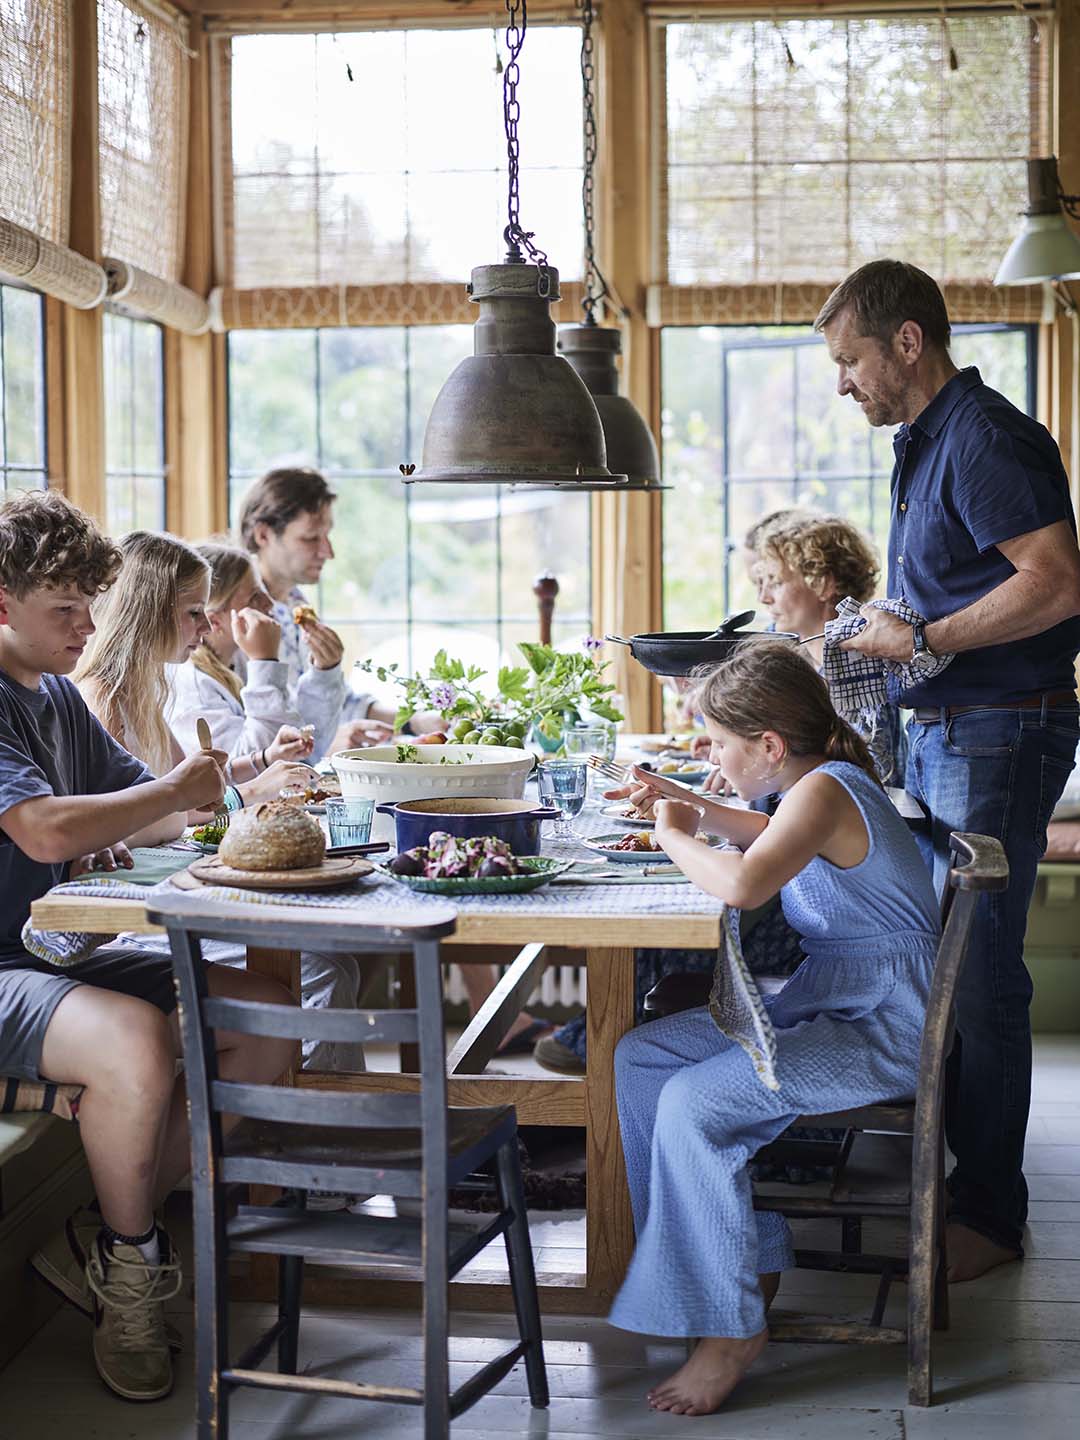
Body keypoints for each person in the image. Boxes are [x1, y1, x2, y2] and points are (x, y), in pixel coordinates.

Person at [816, 258, 1080, 1281]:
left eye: (851, 361)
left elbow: (1056, 586)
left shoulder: (983, 436)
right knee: (956, 967)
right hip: (956, 728)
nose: (845, 383)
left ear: (908, 343)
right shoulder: (927, 443)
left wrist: (920, 634)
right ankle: (960, 1183)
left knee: (982, 974)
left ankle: (989, 1216)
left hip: (995, 730)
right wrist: (895, 632)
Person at [0, 489, 296, 1403]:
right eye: (65, 610)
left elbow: (166, 804)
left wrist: (219, 794)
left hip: (55, 953)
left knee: (270, 1020)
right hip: (8, 966)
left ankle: (94, 1230)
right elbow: (44, 831)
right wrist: (162, 795)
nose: (88, 626)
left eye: (92, 604)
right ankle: (132, 1269)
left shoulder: (52, 696)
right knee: (136, 1039)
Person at [609, 640, 940, 1415]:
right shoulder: (814, 785)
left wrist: (669, 834)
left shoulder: (826, 790)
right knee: (643, 1057)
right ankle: (726, 1267)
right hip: (838, 999)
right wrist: (682, 801)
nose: (713, 759)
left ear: (769, 745)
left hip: (886, 1025)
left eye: (721, 745)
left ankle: (732, 1330)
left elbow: (744, 878)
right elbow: (760, 833)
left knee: (695, 1102)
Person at [73, 530, 368, 1071]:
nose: (207, 627)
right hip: (134, 925)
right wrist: (246, 791)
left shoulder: (146, 691)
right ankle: (303, 1119)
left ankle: (308, 1111)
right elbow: (145, 816)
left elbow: (182, 784)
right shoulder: (103, 701)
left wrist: (251, 766)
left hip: (174, 894)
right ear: (148, 612)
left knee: (335, 960)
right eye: (193, 613)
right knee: (323, 964)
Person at [236, 467, 440, 760]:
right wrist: (326, 745)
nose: (328, 552)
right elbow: (246, 739)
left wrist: (413, 720)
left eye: (326, 536)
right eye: (310, 538)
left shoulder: (294, 604)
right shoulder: (238, 618)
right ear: (264, 534)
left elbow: (331, 698)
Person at [758, 512, 905, 782]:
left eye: (776, 582)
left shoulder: (857, 661)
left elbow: (871, 772)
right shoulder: (799, 655)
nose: (764, 597)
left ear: (824, 584)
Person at [166, 539, 314, 771]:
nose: (270, 605)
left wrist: (326, 672)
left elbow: (297, 734)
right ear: (215, 621)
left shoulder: (240, 660)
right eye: (255, 597)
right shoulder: (193, 687)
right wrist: (264, 662)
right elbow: (234, 773)